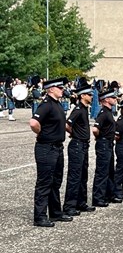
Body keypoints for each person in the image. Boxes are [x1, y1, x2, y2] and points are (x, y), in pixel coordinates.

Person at [29, 77, 73, 227]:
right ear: (51, 89)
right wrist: (41, 133)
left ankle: (55, 213)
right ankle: (40, 216)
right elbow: (34, 122)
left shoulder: (57, 104)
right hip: (46, 148)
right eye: (59, 88)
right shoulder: (47, 104)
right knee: (44, 183)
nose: (62, 90)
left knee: (56, 182)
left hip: (57, 147)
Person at [63, 79, 96, 217]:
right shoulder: (77, 110)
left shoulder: (84, 109)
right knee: (74, 176)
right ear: (82, 96)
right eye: (89, 94)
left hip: (83, 145)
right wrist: (74, 134)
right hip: (77, 145)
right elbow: (67, 124)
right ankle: (69, 206)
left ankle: (80, 202)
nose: (91, 96)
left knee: (83, 175)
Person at [91, 88, 119, 207]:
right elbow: (95, 129)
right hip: (103, 143)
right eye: (113, 98)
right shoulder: (103, 113)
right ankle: (98, 198)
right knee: (102, 171)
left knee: (109, 171)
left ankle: (109, 194)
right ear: (106, 99)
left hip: (108, 143)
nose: (115, 99)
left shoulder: (109, 112)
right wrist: (101, 137)